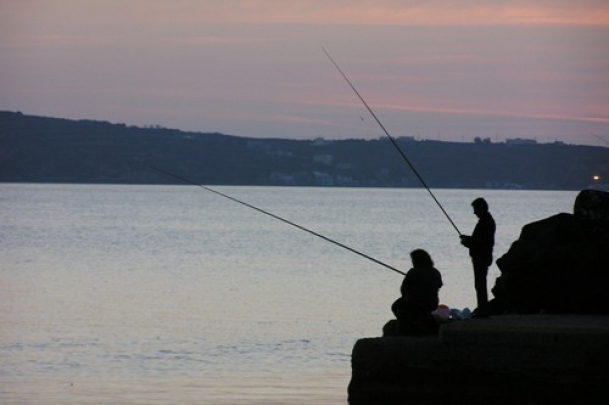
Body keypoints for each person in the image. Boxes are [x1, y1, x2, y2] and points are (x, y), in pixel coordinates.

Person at [387, 249, 443, 335]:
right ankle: (420, 321)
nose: (412, 262)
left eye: (413, 260)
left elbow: (404, 289)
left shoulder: (413, 272)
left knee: (395, 306)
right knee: (421, 312)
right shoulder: (435, 272)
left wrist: (407, 296)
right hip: (432, 303)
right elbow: (439, 285)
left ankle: (407, 328)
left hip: (414, 303)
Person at [460, 197, 495, 316]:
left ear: (481, 209)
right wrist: (468, 239)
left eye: (475, 209)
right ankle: (483, 309)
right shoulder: (487, 221)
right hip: (484, 256)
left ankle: (483, 311)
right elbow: (478, 240)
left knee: (480, 284)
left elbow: (478, 243)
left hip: (481, 257)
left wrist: (466, 242)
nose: (474, 212)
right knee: (480, 284)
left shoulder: (485, 223)